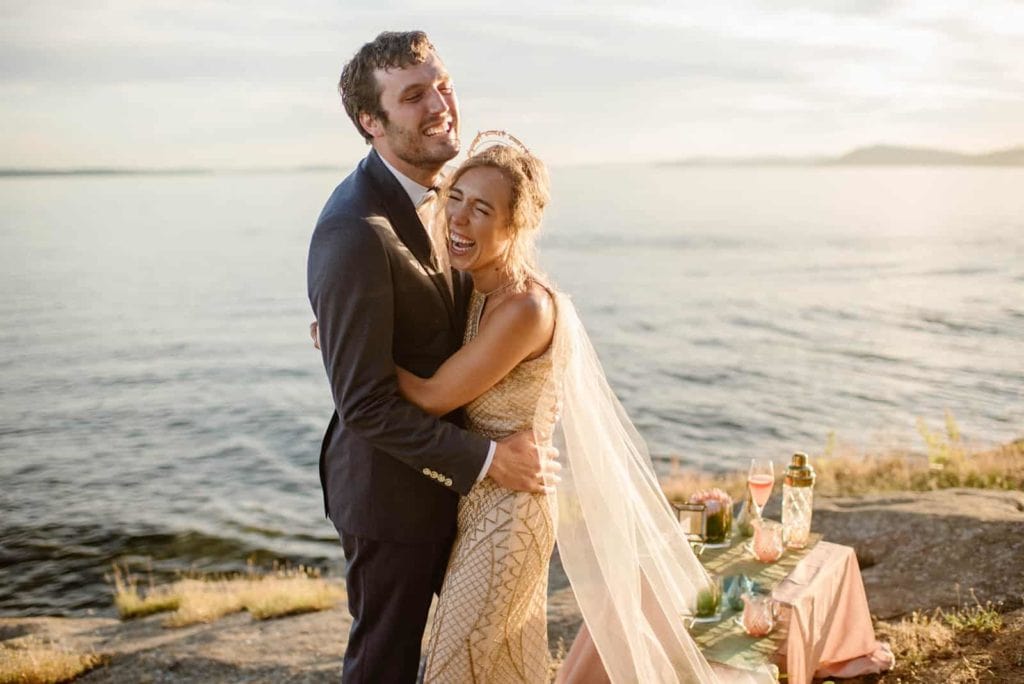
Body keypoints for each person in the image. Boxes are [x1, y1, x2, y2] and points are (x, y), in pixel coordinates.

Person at [392, 135, 776, 683]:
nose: (460, 218)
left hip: (511, 515)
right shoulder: (473, 287)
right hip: (480, 498)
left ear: (516, 226)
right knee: (503, 667)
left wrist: (344, 348)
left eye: (483, 209)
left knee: (456, 664)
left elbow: (433, 396)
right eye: (456, 198)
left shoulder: (525, 307)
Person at [306, 32, 556, 683]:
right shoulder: (354, 232)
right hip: (390, 494)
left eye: (441, 84)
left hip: (463, 497)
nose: (440, 103)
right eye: (414, 96)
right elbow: (364, 405)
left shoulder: (449, 195)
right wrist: (489, 460)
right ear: (372, 121)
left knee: (481, 651)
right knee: (384, 663)